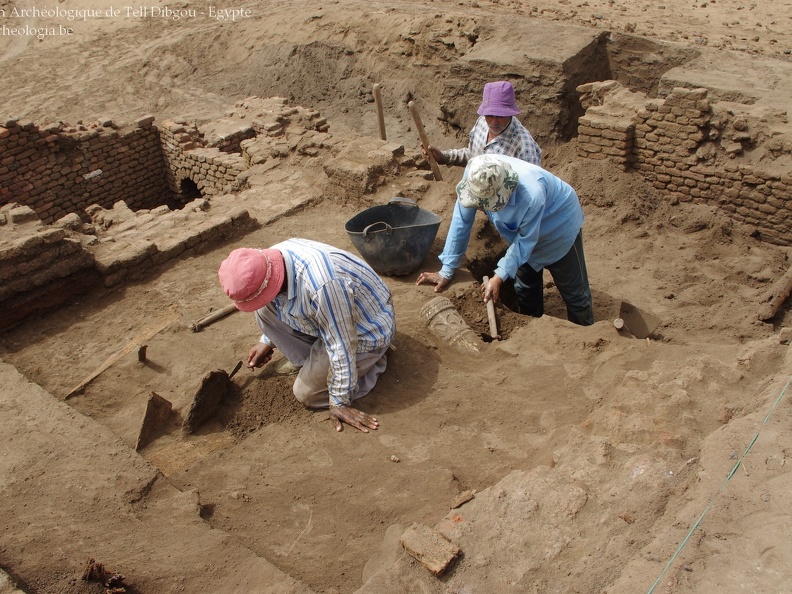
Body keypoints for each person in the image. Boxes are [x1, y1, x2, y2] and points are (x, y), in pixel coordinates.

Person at [218, 238, 396, 433]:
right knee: (263, 312)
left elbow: (342, 344)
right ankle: (317, 365)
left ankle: (375, 359)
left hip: (365, 331)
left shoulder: (323, 284)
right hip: (332, 319)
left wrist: (339, 402)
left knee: (307, 395)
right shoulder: (270, 260)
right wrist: (268, 340)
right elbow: (277, 303)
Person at [416, 154, 594, 326]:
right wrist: (447, 269)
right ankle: (533, 332)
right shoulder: (475, 172)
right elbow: (461, 220)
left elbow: (525, 241)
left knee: (575, 295)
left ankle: (587, 336)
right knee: (526, 289)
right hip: (519, 232)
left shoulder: (532, 194)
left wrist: (499, 276)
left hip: (558, 226)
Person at [421, 80, 542, 168]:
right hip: (474, 192)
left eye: (500, 116)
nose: (494, 122)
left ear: (510, 113)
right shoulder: (482, 123)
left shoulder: (524, 147)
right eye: (489, 115)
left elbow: (531, 191)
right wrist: (443, 157)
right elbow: (473, 155)